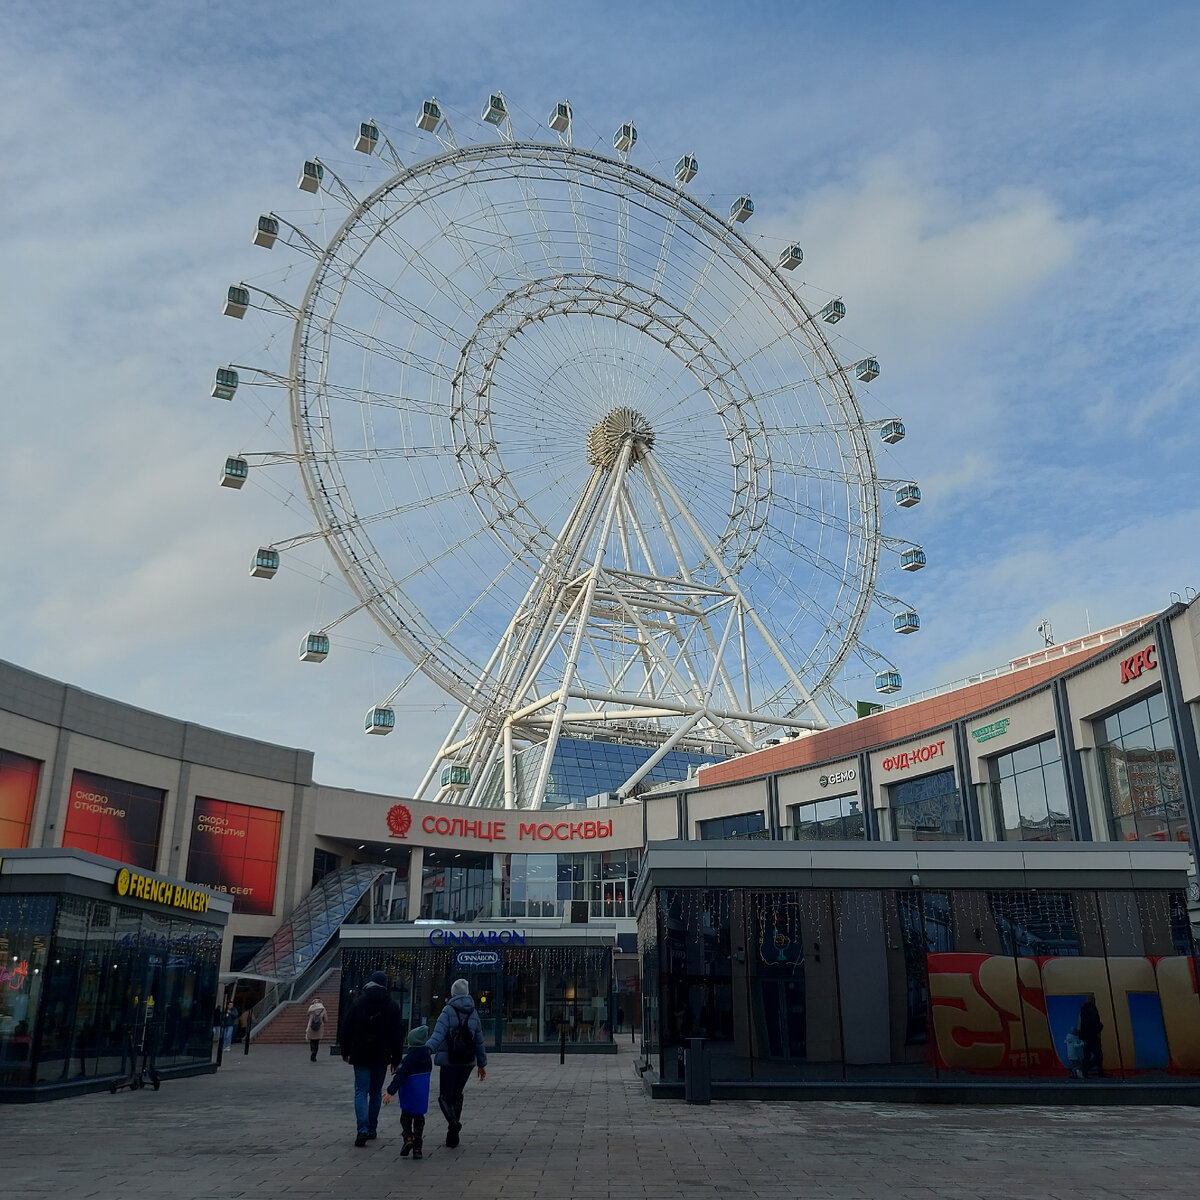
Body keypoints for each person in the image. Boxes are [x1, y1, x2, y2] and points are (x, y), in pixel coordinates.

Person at [340, 970, 404, 1147]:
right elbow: (397, 1034)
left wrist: (345, 1051)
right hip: (381, 1055)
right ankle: (372, 1127)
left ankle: (362, 1129)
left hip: (360, 1053)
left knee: (361, 1091)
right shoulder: (391, 1005)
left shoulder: (359, 1003)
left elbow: (347, 1028)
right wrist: (396, 1059)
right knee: (375, 1092)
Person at [425, 978, 487, 1149]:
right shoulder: (473, 1012)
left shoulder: (447, 1010)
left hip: (449, 1060)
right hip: (467, 1061)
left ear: (453, 993)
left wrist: (427, 1050)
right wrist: (482, 1064)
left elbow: (438, 1034)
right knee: (457, 1094)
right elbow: (479, 1041)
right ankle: (453, 1135)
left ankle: (453, 1123)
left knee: (445, 1096)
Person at [384, 1024, 432, 1159]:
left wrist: (389, 1092)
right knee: (419, 1119)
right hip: (422, 1095)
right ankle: (418, 1148)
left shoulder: (409, 1059)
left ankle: (408, 1138)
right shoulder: (427, 1057)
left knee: (405, 1118)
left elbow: (400, 1077)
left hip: (409, 1094)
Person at [1078, 996, 1105, 1078]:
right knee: (1098, 1056)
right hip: (1093, 1037)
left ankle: (1084, 1071)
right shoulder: (1092, 1009)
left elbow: (1082, 1025)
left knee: (1087, 1056)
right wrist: (1100, 1027)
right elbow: (1094, 1023)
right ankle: (1098, 1071)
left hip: (1086, 1037)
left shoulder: (1082, 1011)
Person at [305, 995, 329, 1062]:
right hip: (319, 1027)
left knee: (312, 1040)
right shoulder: (323, 1009)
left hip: (311, 1026)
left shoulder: (311, 1008)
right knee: (317, 1042)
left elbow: (307, 1014)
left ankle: (312, 1050)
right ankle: (314, 1054)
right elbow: (326, 1020)